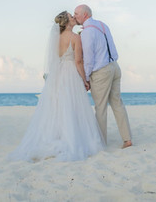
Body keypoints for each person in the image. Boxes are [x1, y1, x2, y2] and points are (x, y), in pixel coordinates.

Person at [9, 11, 105, 162]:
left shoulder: (56, 39)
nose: (74, 18)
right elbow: (79, 61)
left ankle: (57, 135)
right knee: (72, 105)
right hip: (70, 73)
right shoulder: (75, 38)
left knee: (58, 106)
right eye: (71, 17)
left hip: (58, 74)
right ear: (67, 22)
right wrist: (85, 80)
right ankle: (71, 137)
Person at [74, 4, 132, 149]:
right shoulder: (102, 25)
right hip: (115, 67)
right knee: (118, 104)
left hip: (101, 71)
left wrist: (85, 79)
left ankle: (101, 142)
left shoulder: (87, 32)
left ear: (85, 15)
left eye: (76, 14)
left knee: (100, 108)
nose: (74, 16)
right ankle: (127, 139)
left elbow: (89, 59)